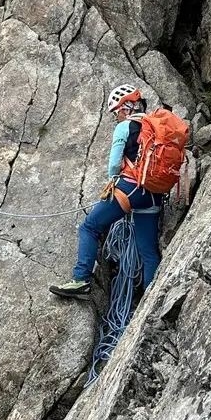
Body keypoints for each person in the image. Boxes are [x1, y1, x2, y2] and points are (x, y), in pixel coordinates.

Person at [50, 84, 165, 298]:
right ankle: (151, 302)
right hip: (153, 194)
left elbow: (114, 165)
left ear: (126, 108)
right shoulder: (155, 126)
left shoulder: (125, 127)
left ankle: (80, 280)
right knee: (149, 253)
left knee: (90, 227)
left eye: (116, 112)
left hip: (130, 188)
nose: (116, 117)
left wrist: (114, 181)